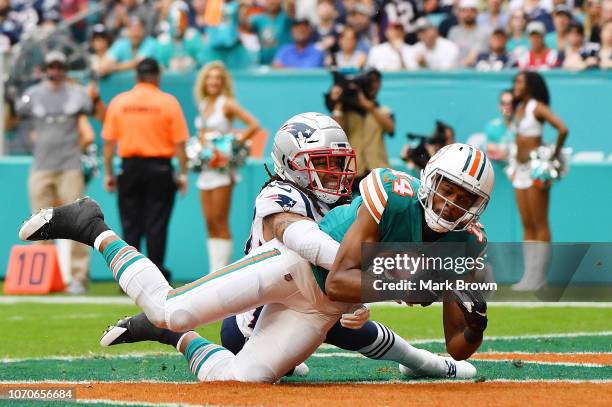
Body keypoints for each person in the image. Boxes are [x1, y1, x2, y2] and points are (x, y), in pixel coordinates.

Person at [20, 134, 492, 383]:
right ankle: (91, 225)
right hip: (290, 267)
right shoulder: (392, 192)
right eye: (447, 189)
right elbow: (340, 281)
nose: (450, 203)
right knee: (172, 306)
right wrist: (410, 280)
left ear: (477, 206)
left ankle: (176, 339)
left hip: (320, 310)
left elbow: (457, 343)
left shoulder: (466, 246)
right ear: (429, 179)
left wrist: (473, 322)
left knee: (238, 383)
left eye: (462, 198)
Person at [14, 50, 106, 295]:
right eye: (51, 66)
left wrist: (96, 98)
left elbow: (100, 116)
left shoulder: (78, 94)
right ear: (45, 68)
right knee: (37, 222)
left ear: (64, 69)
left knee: (78, 223)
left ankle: (78, 278)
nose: (55, 70)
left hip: (69, 166)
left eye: (59, 66)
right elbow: (12, 120)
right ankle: (39, 277)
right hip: (41, 165)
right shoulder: (32, 95)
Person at [101, 58, 189, 282]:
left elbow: (109, 144)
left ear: (136, 76)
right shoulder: (168, 102)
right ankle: (156, 275)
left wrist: (109, 174)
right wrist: (183, 174)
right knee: (156, 223)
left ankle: (129, 278)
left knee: (130, 224)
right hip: (160, 168)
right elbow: (180, 143)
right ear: (157, 76)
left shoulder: (120, 102)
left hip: (129, 167)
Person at [193, 61, 260, 274]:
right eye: (210, 78)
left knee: (221, 219)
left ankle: (219, 272)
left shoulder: (227, 103)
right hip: (206, 170)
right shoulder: (203, 104)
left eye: (218, 78)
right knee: (209, 220)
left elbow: (253, 125)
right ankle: (213, 270)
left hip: (222, 171)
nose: (213, 82)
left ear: (223, 83)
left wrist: (230, 147)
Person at [508, 72, 568, 291]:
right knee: (526, 223)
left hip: (536, 169)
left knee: (539, 222)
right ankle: (529, 274)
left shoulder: (537, 107)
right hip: (520, 169)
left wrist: (553, 155)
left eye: (520, 82)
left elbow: (562, 128)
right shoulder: (519, 109)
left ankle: (539, 276)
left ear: (530, 85)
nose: (516, 85)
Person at [328, 68, 395, 184]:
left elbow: (390, 129)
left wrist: (370, 107)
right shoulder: (346, 113)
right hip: (353, 171)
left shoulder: (383, 111)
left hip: (378, 169)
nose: (374, 85)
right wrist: (339, 102)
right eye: (371, 81)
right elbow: (336, 132)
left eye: (377, 81)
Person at [448, 0, 491, 66]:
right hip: (456, 69)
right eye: (465, 11)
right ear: (460, 13)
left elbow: (478, 54)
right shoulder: (454, 31)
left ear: (477, 13)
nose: (468, 14)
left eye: (472, 11)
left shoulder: (486, 31)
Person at [484, 89, 515, 162]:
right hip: (498, 172)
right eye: (504, 103)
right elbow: (491, 151)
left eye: (511, 103)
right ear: (499, 106)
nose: (507, 107)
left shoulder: (524, 127)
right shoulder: (492, 127)